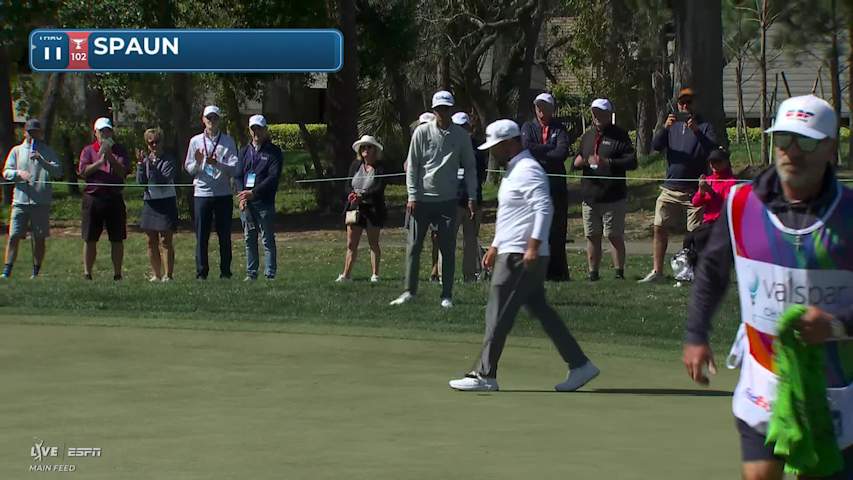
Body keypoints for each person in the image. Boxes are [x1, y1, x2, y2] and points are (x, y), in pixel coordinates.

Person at [683, 95, 853, 480]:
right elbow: (711, 270)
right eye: (784, 140)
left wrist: (837, 324)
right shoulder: (741, 203)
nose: (793, 152)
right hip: (764, 376)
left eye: (807, 142)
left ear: (830, 148)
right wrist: (696, 335)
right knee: (759, 475)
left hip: (837, 386)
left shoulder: (850, 214)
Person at [448, 119, 599, 392]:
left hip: (521, 253)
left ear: (509, 143)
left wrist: (532, 245)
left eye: (496, 145)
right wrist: (495, 245)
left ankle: (485, 375)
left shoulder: (528, 169)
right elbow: (511, 215)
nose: (492, 151)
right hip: (513, 249)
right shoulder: (515, 169)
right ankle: (580, 364)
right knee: (540, 310)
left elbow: (544, 208)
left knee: (497, 311)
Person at [390, 91, 477, 308]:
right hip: (421, 199)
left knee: (447, 249)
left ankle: (446, 294)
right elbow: (413, 166)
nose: (442, 112)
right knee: (414, 246)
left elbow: (470, 168)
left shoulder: (461, 136)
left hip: (448, 199)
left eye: (446, 108)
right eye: (439, 109)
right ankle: (409, 291)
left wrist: (472, 196)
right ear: (434, 109)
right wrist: (412, 195)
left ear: (451, 109)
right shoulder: (421, 132)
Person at [640, 87, 719, 283]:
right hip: (670, 187)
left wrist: (697, 132)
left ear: (695, 104)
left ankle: (692, 272)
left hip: (693, 191)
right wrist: (665, 128)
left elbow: (713, 151)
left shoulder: (705, 126)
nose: (685, 106)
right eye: (682, 102)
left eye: (689, 102)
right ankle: (657, 271)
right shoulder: (671, 125)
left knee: (695, 235)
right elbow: (656, 147)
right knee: (659, 227)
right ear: (677, 105)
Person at [573, 99, 637, 281]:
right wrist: (579, 162)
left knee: (614, 235)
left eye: (600, 113)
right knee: (592, 235)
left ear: (609, 114)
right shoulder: (587, 136)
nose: (596, 116)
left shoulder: (620, 136)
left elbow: (632, 162)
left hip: (613, 196)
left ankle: (619, 273)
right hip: (590, 196)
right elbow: (578, 158)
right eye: (594, 112)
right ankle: (593, 273)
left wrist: (608, 162)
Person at [1, 119, 63, 279]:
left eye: (35, 132)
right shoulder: (16, 151)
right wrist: (18, 174)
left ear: (40, 133)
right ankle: (7, 271)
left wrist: (42, 161)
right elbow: (6, 172)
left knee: (39, 238)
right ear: (25, 132)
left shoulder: (47, 151)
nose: (32, 135)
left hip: (40, 201)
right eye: (29, 132)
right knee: (14, 236)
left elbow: (58, 171)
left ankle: (36, 271)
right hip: (20, 201)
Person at [431, 112, 488, 282]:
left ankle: (469, 276)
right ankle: (443, 275)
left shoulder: (477, 150)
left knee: (470, 242)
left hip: (472, 202)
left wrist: (473, 198)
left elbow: (478, 176)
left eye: (464, 127)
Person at [521, 92, 572, 282]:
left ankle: (557, 272)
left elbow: (562, 152)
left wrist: (541, 150)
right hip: (533, 185)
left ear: (552, 109)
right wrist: (549, 147)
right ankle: (534, 270)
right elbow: (526, 146)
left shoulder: (559, 128)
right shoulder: (528, 127)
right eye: (538, 107)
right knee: (533, 228)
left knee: (556, 231)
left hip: (555, 187)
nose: (541, 111)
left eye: (545, 107)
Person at [185, 105, 240, 280]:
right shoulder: (195, 141)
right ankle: (201, 272)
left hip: (223, 194)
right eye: (209, 118)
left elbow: (234, 169)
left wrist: (217, 164)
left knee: (224, 234)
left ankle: (225, 271)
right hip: (202, 193)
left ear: (219, 120)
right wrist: (199, 162)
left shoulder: (228, 141)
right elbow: (189, 168)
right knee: (202, 235)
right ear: (203, 120)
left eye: (215, 118)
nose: (211, 121)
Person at [77, 117, 130, 281]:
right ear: (96, 133)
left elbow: (123, 172)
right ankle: (87, 273)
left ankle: (117, 274)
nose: (105, 134)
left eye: (107, 131)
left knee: (117, 238)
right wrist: (100, 162)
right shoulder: (88, 150)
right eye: (101, 131)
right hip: (93, 197)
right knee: (90, 238)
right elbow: (83, 172)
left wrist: (111, 158)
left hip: (114, 198)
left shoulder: (119, 150)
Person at [237, 115, 282, 281]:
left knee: (267, 238)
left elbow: (273, 177)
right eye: (253, 129)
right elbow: (238, 175)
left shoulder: (274, 152)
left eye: (259, 129)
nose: (256, 132)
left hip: (264, 202)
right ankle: (251, 273)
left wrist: (254, 192)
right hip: (247, 203)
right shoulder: (244, 151)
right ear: (250, 130)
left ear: (265, 130)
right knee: (249, 238)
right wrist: (242, 196)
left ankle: (270, 273)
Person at [336, 135, 386, 283]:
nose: (365, 149)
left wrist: (362, 195)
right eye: (363, 147)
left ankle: (375, 274)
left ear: (375, 150)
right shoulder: (355, 165)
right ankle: (346, 275)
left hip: (373, 210)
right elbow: (347, 185)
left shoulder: (380, 167)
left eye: (369, 147)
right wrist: (352, 194)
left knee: (373, 243)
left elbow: (379, 188)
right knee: (351, 244)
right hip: (355, 208)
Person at [136, 128, 178, 282]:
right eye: (150, 143)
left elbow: (163, 179)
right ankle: (156, 274)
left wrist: (152, 168)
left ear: (162, 143)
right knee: (151, 240)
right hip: (150, 202)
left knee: (166, 240)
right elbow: (141, 182)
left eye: (156, 142)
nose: (154, 145)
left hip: (166, 201)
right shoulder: (145, 160)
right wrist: (141, 166)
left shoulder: (169, 159)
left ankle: (168, 275)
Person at [687, 148, 736, 256]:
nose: (714, 165)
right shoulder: (709, 179)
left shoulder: (731, 182)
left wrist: (711, 192)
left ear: (726, 162)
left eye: (717, 162)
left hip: (722, 222)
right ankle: (689, 266)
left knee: (700, 238)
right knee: (688, 238)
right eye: (711, 162)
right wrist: (701, 190)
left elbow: (726, 204)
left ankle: (703, 265)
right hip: (708, 222)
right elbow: (695, 202)